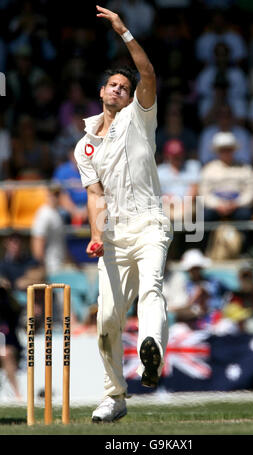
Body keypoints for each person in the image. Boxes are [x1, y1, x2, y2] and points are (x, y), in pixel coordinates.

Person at [74, 6, 173, 423]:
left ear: (131, 97)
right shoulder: (83, 147)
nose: (118, 90)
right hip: (114, 235)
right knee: (108, 320)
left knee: (151, 289)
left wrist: (124, 31)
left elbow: (147, 74)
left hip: (150, 222)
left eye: (123, 88)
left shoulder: (139, 117)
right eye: (112, 85)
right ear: (101, 91)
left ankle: (151, 353)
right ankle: (115, 397)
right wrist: (97, 233)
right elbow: (95, 198)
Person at [200, 131, 253, 221]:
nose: (226, 152)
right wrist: (218, 204)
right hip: (215, 207)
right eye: (223, 150)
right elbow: (204, 193)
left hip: (238, 206)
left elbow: (251, 191)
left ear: (233, 150)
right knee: (205, 216)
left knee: (245, 215)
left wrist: (237, 203)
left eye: (229, 149)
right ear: (217, 151)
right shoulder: (208, 169)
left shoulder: (245, 168)